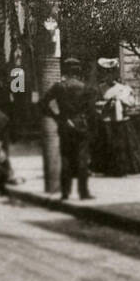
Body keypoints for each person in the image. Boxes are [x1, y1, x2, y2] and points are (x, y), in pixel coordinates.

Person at [42, 57, 97, 201]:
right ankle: (83, 192)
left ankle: (65, 193)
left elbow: (42, 104)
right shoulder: (86, 88)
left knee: (65, 158)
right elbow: (91, 111)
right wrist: (90, 127)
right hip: (81, 125)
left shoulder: (59, 87)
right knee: (82, 159)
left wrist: (57, 116)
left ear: (66, 70)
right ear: (78, 70)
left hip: (64, 125)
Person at [97, 58, 140, 177]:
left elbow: (132, 102)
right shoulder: (101, 88)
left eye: (112, 72)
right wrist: (106, 104)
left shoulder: (124, 88)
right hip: (107, 120)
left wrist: (121, 101)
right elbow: (96, 104)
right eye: (106, 72)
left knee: (123, 145)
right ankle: (109, 169)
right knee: (108, 144)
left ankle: (124, 168)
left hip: (121, 120)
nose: (109, 76)